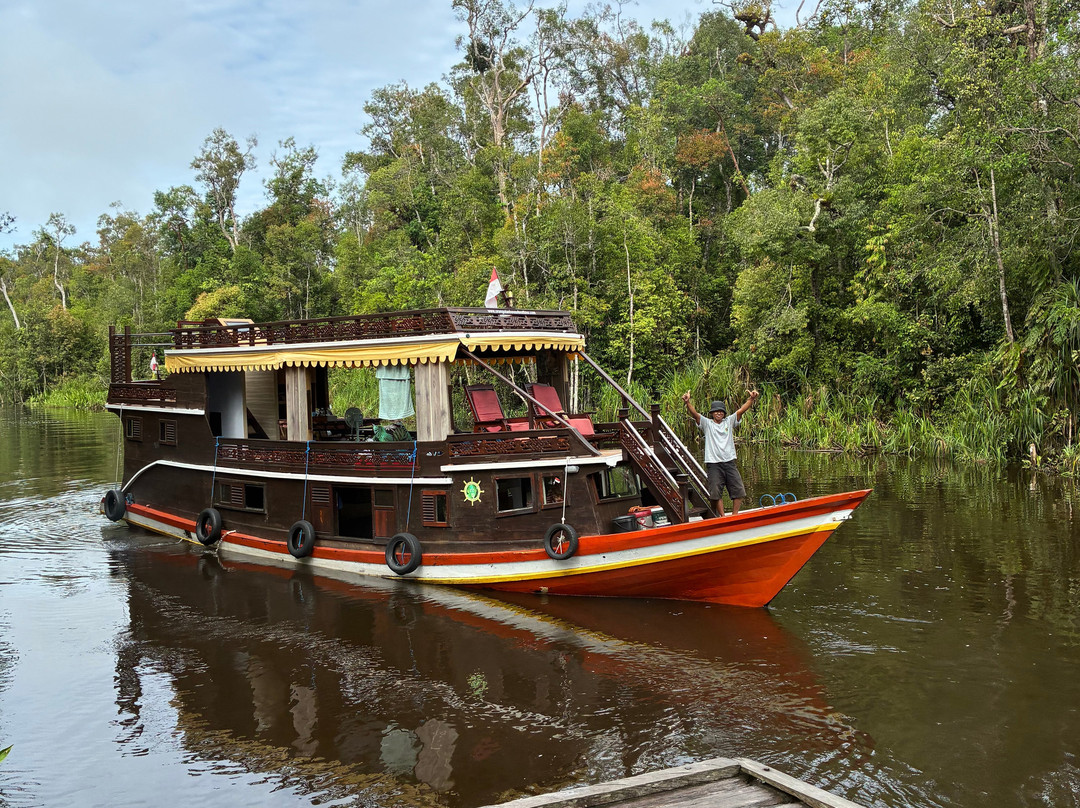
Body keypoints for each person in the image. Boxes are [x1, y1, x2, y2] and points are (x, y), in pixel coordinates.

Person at [682, 389, 760, 517]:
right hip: (713, 463)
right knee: (716, 492)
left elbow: (741, 410)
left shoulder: (729, 421)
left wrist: (751, 399)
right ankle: (723, 517)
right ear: (712, 413)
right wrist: (687, 402)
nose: (718, 413)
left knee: (738, 490)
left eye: (721, 411)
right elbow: (695, 415)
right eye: (716, 411)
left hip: (729, 461)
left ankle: (735, 515)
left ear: (724, 413)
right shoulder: (707, 424)